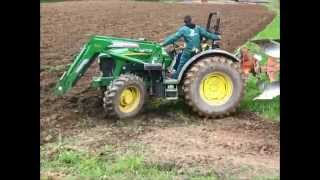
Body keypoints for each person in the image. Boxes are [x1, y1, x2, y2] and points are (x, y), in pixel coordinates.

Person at [160, 15, 221, 79]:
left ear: (184, 22)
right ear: (191, 20)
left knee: (181, 64)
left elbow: (173, 38)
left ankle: (175, 77)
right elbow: (207, 35)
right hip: (197, 51)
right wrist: (217, 37)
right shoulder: (198, 28)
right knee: (197, 63)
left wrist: (163, 44)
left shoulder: (183, 29)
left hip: (189, 51)